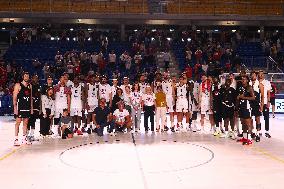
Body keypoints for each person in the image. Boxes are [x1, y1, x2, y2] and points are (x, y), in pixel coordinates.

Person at [13, 72, 32, 146]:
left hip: (27, 107)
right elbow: (14, 97)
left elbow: (30, 98)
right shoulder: (18, 85)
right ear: (23, 77)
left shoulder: (30, 86)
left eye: (27, 76)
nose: (26, 77)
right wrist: (15, 108)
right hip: (20, 107)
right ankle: (16, 139)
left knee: (25, 123)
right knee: (18, 123)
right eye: (25, 76)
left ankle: (24, 138)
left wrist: (31, 108)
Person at [237, 76, 255, 145]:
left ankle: (250, 139)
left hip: (247, 107)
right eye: (242, 79)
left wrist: (243, 97)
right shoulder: (241, 87)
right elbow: (239, 97)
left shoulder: (249, 87)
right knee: (243, 123)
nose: (243, 80)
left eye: (244, 79)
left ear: (247, 80)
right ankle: (244, 138)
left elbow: (253, 98)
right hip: (241, 106)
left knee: (248, 123)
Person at [249, 71, 264, 142]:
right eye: (252, 75)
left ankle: (258, 134)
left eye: (254, 75)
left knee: (257, 119)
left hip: (256, 104)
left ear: (256, 76)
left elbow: (262, 96)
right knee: (250, 119)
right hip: (249, 104)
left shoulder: (259, 84)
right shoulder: (248, 84)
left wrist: (261, 105)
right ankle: (253, 132)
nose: (253, 76)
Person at [27, 75, 41, 142]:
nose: (36, 79)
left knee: (33, 121)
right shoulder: (29, 86)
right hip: (30, 107)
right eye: (34, 78)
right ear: (32, 79)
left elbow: (39, 97)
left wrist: (39, 107)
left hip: (36, 107)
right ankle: (26, 136)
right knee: (28, 121)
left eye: (37, 78)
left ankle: (32, 135)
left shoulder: (38, 86)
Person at [258, 70, 272, 138]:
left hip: (265, 102)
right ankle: (259, 131)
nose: (261, 75)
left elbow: (269, 93)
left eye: (262, 74)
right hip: (258, 103)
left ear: (263, 75)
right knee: (258, 118)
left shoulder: (267, 82)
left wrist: (269, 101)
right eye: (259, 74)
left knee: (266, 117)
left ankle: (267, 131)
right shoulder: (256, 82)